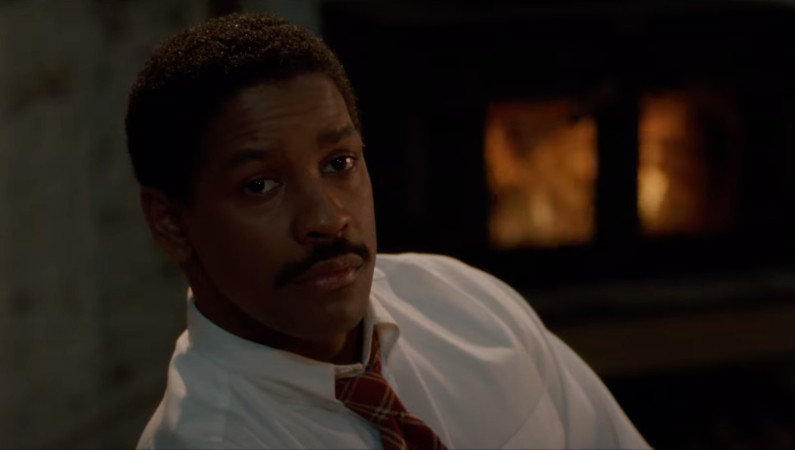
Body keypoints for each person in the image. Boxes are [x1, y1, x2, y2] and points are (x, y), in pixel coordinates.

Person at [127, 12, 650, 450]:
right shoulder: (206, 439)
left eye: (339, 163)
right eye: (260, 185)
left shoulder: (465, 305)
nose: (326, 219)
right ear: (170, 224)